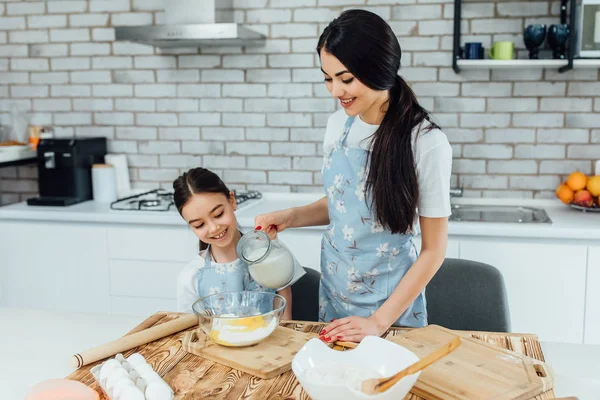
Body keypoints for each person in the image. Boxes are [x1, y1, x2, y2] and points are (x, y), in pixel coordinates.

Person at [254, 9, 452, 343]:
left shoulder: (426, 142)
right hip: (334, 298)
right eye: (327, 78)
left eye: (345, 79)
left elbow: (434, 250)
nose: (335, 91)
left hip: (391, 312)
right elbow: (345, 205)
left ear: (379, 69)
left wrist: (378, 321)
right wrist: (291, 216)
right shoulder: (337, 126)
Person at [174, 167, 305, 319]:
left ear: (232, 201)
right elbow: (190, 331)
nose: (213, 228)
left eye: (218, 214)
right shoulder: (190, 277)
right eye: (199, 225)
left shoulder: (269, 252)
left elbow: (285, 320)